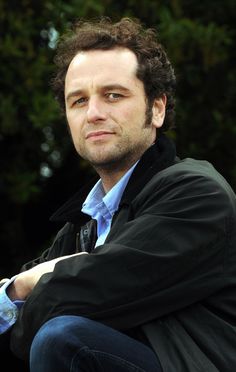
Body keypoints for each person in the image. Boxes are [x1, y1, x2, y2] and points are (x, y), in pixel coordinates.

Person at [0, 16, 236, 372]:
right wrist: (22, 288)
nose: (93, 113)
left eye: (113, 95)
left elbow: (66, 302)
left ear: (156, 108)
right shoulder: (84, 223)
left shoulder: (197, 195)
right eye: (78, 101)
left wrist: (27, 290)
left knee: (62, 338)